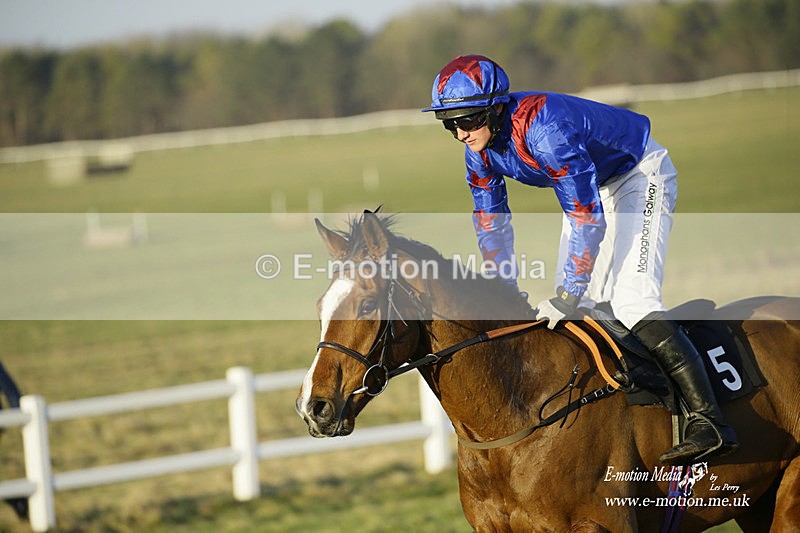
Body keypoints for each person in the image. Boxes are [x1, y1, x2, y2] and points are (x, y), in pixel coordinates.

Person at [422, 54, 738, 465]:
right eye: (450, 124)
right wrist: (502, 288)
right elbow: (490, 222)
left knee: (631, 301)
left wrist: (569, 291)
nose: (460, 133)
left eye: (466, 120)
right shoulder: (479, 150)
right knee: (580, 312)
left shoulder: (546, 129)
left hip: (639, 174)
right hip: (591, 188)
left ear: (495, 108)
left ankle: (709, 421)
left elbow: (587, 217)